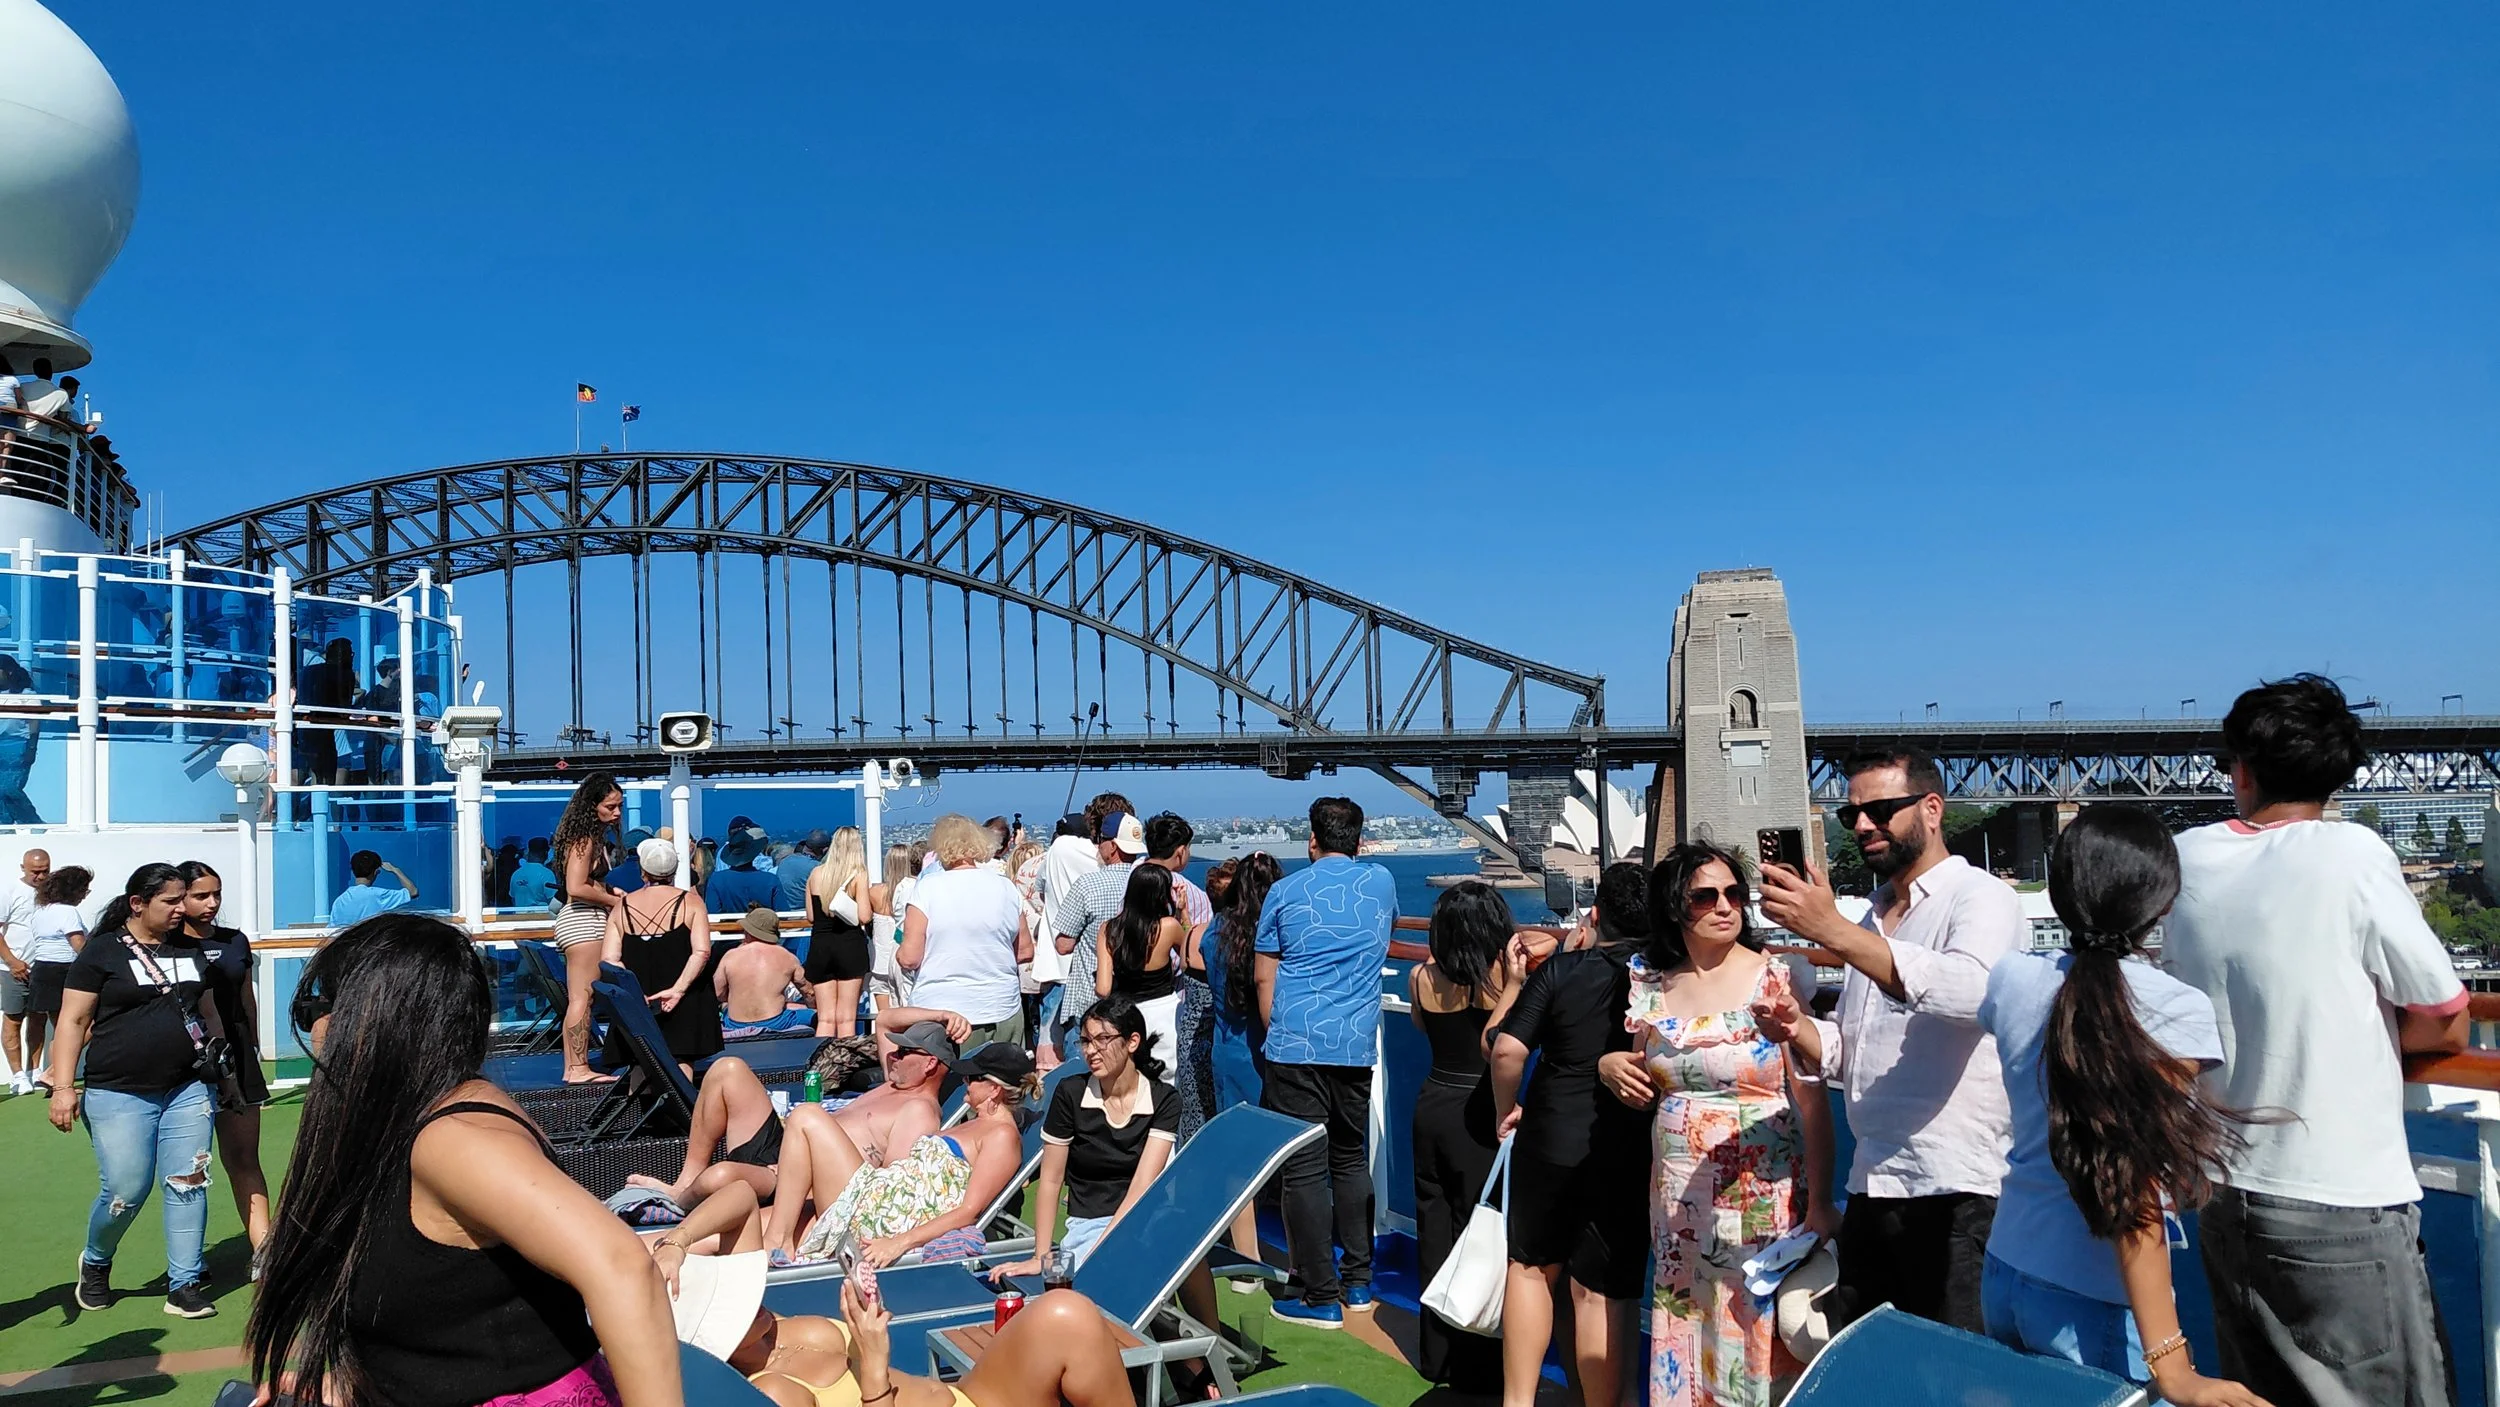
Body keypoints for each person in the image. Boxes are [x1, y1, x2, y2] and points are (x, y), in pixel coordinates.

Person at [2165, 675, 2466, 1406]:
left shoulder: (2183, 857)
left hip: (2223, 1190)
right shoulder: (2351, 855)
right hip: (2338, 1202)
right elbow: (2445, 1013)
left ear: (2242, 767)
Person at [246, 912, 680, 1405]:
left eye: (313, 1007)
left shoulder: (454, 1140)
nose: (312, 1028)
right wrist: (348, 1385)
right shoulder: (407, 1123)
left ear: (369, 1014)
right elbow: (449, 1321)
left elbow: (622, 1267)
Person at [1974, 806, 2270, 1406]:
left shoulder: (2010, 980)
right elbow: (2130, 1189)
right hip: (2091, 1299)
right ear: (2163, 903)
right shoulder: (2174, 1009)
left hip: (2007, 1267)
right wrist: (2173, 1364)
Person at [1758, 746, 2022, 1333]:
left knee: (1960, 1381)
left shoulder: (1981, 897)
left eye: (1880, 809)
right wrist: (1795, 1026)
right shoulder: (1871, 921)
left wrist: (1830, 932)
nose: (1862, 825)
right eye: (1852, 814)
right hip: (1873, 1187)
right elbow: (1856, 1055)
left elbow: (1974, 993)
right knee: (1885, 1377)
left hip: (1956, 1190)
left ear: (1932, 809)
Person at [1603, 847, 1837, 1407]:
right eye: (1705, 896)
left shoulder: (1772, 979)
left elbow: (1811, 1097)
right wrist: (1607, 1065)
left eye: (1735, 894)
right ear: (1674, 907)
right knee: (1686, 1321)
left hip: (1762, 1200)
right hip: (1678, 1204)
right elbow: (1640, 1069)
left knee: (1751, 1326)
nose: (1725, 906)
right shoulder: (1651, 985)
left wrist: (1822, 1204)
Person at [1488, 859, 1650, 1406]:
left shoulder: (1562, 970)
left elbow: (1507, 1048)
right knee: (1599, 1289)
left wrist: (1506, 1109)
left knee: (1531, 1268)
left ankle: (1518, 1400)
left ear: (1596, 914)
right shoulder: (1662, 978)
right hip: (1624, 1142)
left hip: (1550, 1133)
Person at [47, 864, 227, 1319]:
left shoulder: (191, 949)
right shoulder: (102, 952)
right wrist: (64, 1087)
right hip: (118, 1091)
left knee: (189, 1182)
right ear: (138, 904)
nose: (180, 909)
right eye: (170, 901)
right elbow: (73, 1021)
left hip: (187, 1087)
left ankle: (184, 1284)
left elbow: (207, 1012)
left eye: (182, 899)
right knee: (126, 1188)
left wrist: (220, 1063)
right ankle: (95, 1260)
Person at [651, 1246, 1136, 1407]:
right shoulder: (772, 1393)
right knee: (1066, 1316)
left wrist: (678, 1242)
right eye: (730, 1308)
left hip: (968, 1397)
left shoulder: (774, 1327)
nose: (750, 1300)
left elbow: (736, 1197)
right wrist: (875, 1367)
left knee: (1063, 1312)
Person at [1257, 796, 1399, 1328]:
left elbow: (1265, 974)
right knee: (1349, 1156)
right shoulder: (1382, 882)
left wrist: (1279, 1033)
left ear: (1311, 839)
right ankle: (1358, 1280)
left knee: (1304, 1169)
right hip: (1353, 1044)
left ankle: (1318, 1294)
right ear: (1359, 841)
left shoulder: (1283, 891)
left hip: (1295, 1042)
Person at [629, 1013, 954, 1211]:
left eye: (904, 1051)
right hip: (784, 1143)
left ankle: (680, 1204)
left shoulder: (919, 1112)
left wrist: (803, 1178)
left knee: (720, 1177)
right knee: (728, 1070)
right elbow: (886, 1019)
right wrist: (942, 1015)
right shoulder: (894, 1082)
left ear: (929, 1063)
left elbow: (887, 1186)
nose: (893, 1055)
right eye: (895, 1049)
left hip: (793, 1180)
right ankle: (683, 1182)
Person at [762, 1038, 1035, 1265]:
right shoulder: (977, 1124)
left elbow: (969, 1211)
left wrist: (897, 1243)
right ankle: (774, 1243)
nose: (965, 1080)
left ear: (994, 1090)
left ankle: (779, 1243)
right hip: (878, 1194)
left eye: (973, 1077)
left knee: (806, 1116)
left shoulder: (1002, 1136)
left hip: (886, 1216)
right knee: (752, 1225)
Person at [990, 995, 1179, 1277]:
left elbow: (1141, 1184)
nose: (1091, 1050)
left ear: (1132, 1042)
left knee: (1180, 1252)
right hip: (1089, 1221)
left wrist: (1105, 1247)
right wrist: (1041, 1256)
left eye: (1102, 1039)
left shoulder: (1163, 1099)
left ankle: (1201, 1322)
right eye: (1086, 1041)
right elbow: (1052, 1180)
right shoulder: (1071, 1093)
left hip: (1145, 1217)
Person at [1407, 880, 1509, 1386]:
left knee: (1435, 1226)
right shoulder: (1503, 980)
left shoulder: (1422, 976)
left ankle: (1437, 1357)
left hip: (1433, 1105)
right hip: (1481, 1110)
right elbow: (1502, 1042)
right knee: (1485, 1232)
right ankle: (1483, 1360)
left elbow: (1424, 1030)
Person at [179, 861, 275, 1276]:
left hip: (235, 1056)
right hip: (182, 1063)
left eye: (216, 894)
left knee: (242, 1156)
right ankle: (184, 1267)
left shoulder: (235, 941)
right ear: (177, 899)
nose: (212, 903)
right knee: (185, 1168)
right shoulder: (164, 946)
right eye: (201, 895)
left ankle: (265, 1253)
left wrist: (254, 1048)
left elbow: (245, 998)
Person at [1200, 850, 1278, 1262]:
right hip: (1272, 1051)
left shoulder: (1215, 933)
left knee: (1237, 1158)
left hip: (1229, 1048)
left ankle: (1247, 1258)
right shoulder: (1279, 933)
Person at [900, 814, 1032, 1050]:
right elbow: (1025, 951)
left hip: (943, 1012)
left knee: (949, 1085)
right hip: (1002, 1006)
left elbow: (910, 958)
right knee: (1004, 1084)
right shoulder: (1005, 887)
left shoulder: (927, 888)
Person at [604, 834, 721, 1070]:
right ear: (674, 871)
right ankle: (684, 1108)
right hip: (684, 998)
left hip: (640, 999)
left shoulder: (622, 907)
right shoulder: (691, 902)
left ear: (643, 871)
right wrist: (677, 991)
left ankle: (641, 1108)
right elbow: (701, 952)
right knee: (682, 1061)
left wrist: (635, 995)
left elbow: (609, 959)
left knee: (639, 1063)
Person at [1037, 795, 1128, 1068]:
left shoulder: (1062, 849)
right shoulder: (1136, 871)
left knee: (1062, 1064)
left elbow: (1042, 890)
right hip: (1122, 988)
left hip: (1068, 974)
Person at [552, 773, 626, 1083]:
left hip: (581, 920)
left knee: (582, 996)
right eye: (611, 806)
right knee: (583, 996)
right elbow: (576, 887)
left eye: (619, 806)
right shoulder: (584, 839)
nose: (617, 813)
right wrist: (613, 902)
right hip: (584, 922)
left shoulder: (585, 837)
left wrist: (609, 889)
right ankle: (578, 1068)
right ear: (593, 806)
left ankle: (575, 1066)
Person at [1053, 808, 1148, 1043]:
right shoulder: (1150, 883)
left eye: (1100, 840)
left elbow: (1063, 945)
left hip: (1091, 1001)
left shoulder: (1088, 885)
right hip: (1138, 1002)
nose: (1097, 846)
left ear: (1113, 846)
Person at [1095, 863, 1186, 1070]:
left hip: (1126, 1014)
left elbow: (1103, 989)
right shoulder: (1169, 926)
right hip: (1165, 1013)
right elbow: (1190, 955)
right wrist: (1183, 914)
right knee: (1168, 1079)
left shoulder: (1108, 929)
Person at [23, 863, 93, 1091]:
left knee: (61, 1027)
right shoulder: (67, 911)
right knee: (82, 1025)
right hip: (62, 971)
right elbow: (79, 945)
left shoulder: (42, 910)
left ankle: (56, 1076)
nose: (85, 895)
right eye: (84, 889)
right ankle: (54, 1074)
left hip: (43, 970)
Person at [803, 826, 873, 1036]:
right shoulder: (858, 875)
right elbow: (864, 916)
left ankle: (820, 1065)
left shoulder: (816, 873)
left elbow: (811, 916)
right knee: (846, 1018)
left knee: (825, 1017)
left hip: (820, 945)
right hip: (849, 945)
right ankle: (844, 1066)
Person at [719, 906, 816, 1035]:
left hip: (735, 1022)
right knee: (816, 1016)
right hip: (776, 1021)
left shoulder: (730, 956)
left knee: (724, 1008)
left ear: (749, 932)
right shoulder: (787, 957)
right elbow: (808, 992)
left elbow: (718, 993)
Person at [0, 846, 48, 1094]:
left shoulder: (51, 893)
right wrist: (12, 962)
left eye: (44, 871)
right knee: (13, 1019)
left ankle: (34, 1070)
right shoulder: (9, 891)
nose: (40, 877)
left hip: (43, 968)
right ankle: (17, 1076)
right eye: (35, 872)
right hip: (13, 969)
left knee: (38, 1019)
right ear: (23, 868)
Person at [867, 841, 913, 1014]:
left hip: (879, 959)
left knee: (885, 1017)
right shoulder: (915, 892)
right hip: (904, 959)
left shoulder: (875, 892)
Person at [330, 849, 419, 928]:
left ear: (353, 871)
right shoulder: (378, 895)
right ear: (376, 872)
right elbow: (413, 891)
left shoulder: (339, 901)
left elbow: (332, 929)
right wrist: (395, 870)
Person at [0, 656, 41, 823]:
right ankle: (5, 826)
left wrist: (31, 748)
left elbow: (34, 722)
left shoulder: (27, 695)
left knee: (9, 787)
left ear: (8, 671)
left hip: (18, 745)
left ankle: (33, 822)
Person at [707, 826, 780, 915]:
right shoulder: (771, 880)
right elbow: (783, 914)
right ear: (753, 854)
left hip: (729, 928)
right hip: (763, 927)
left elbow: (713, 914)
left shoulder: (716, 880)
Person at [778, 829, 829, 911]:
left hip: (784, 913)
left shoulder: (785, 861)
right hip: (805, 914)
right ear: (825, 850)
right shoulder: (817, 868)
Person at [508, 837, 559, 911]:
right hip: (541, 918)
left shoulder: (516, 874)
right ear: (546, 853)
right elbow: (553, 902)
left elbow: (513, 899)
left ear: (529, 851)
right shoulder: (547, 874)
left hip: (519, 918)